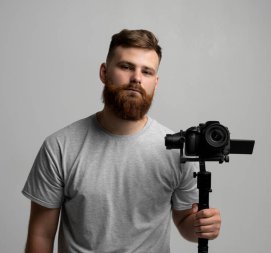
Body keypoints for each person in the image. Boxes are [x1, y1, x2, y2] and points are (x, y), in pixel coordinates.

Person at [22, 29, 221, 253]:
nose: (136, 78)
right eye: (126, 67)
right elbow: (40, 235)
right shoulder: (60, 147)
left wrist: (201, 226)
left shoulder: (176, 150)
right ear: (104, 72)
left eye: (146, 72)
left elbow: (184, 222)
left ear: (155, 83)